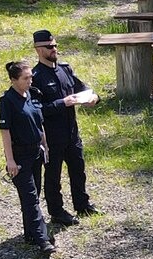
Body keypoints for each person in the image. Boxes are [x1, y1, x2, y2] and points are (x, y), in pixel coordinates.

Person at [30, 29, 100, 226]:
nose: (54, 49)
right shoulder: (35, 77)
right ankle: (57, 212)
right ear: (38, 49)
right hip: (51, 136)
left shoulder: (65, 69)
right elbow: (36, 110)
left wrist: (94, 97)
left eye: (55, 45)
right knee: (53, 176)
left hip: (72, 132)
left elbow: (82, 88)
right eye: (49, 47)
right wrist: (63, 103)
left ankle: (82, 204)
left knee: (78, 170)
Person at [0, 60, 55, 257]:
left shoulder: (32, 95)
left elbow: (39, 124)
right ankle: (43, 240)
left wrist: (45, 145)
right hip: (20, 156)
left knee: (34, 194)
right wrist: (10, 160)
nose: (30, 81)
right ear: (13, 80)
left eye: (31, 77)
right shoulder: (7, 101)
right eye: (25, 78)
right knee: (30, 198)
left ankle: (30, 234)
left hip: (36, 152)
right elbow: (5, 132)